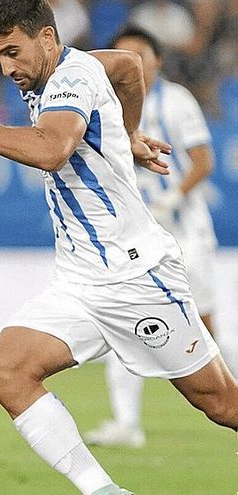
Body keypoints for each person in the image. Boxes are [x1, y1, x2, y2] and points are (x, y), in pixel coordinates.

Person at [0, 0, 238, 494]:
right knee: (5, 372)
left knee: (222, 405)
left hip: (134, 278)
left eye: (13, 52)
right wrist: (125, 135)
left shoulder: (70, 81)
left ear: (46, 37)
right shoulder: (67, 65)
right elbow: (127, 67)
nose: (6, 69)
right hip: (80, 282)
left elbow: (50, 149)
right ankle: (104, 491)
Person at [84, 26, 220, 449]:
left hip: (186, 232)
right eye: (122, 55)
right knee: (124, 321)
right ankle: (126, 423)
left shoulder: (176, 101)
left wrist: (172, 200)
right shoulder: (102, 103)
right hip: (135, 237)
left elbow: (202, 162)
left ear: (158, 60)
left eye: (140, 54)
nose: (132, 63)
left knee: (205, 324)